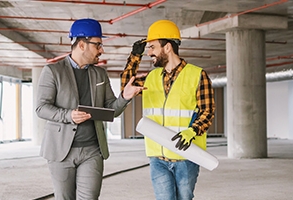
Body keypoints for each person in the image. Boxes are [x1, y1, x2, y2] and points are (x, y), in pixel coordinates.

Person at [35, 18, 144, 200]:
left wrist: (124, 97)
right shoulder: (53, 71)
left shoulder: (99, 73)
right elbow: (41, 108)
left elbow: (111, 110)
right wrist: (68, 115)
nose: (101, 50)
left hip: (92, 150)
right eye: (98, 45)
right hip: (61, 151)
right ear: (82, 44)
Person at [121, 19, 215, 200]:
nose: (149, 52)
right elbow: (126, 86)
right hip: (158, 158)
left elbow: (207, 111)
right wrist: (134, 56)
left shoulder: (197, 75)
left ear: (167, 47)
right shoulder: (151, 77)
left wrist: (192, 131)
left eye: (152, 47)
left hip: (186, 156)